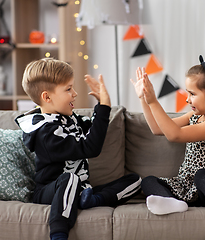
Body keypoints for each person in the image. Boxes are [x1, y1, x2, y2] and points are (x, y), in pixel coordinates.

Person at [15, 58, 141, 240]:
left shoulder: (69, 118)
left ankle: (92, 201)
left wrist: (100, 106)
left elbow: (93, 130)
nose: (75, 94)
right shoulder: (45, 133)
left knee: (135, 181)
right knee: (69, 178)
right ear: (47, 97)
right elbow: (90, 147)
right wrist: (105, 107)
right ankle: (58, 234)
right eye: (68, 89)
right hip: (51, 191)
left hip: (81, 189)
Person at [131, 55, 205, 238]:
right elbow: (157, 129)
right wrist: (144, 98)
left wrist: (154, 101)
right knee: (148, 181)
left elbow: (175, 135)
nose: (187, 100)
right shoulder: (194, 117)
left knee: (202, 175)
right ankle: (173, 203)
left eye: (192, 94)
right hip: (186, 184)